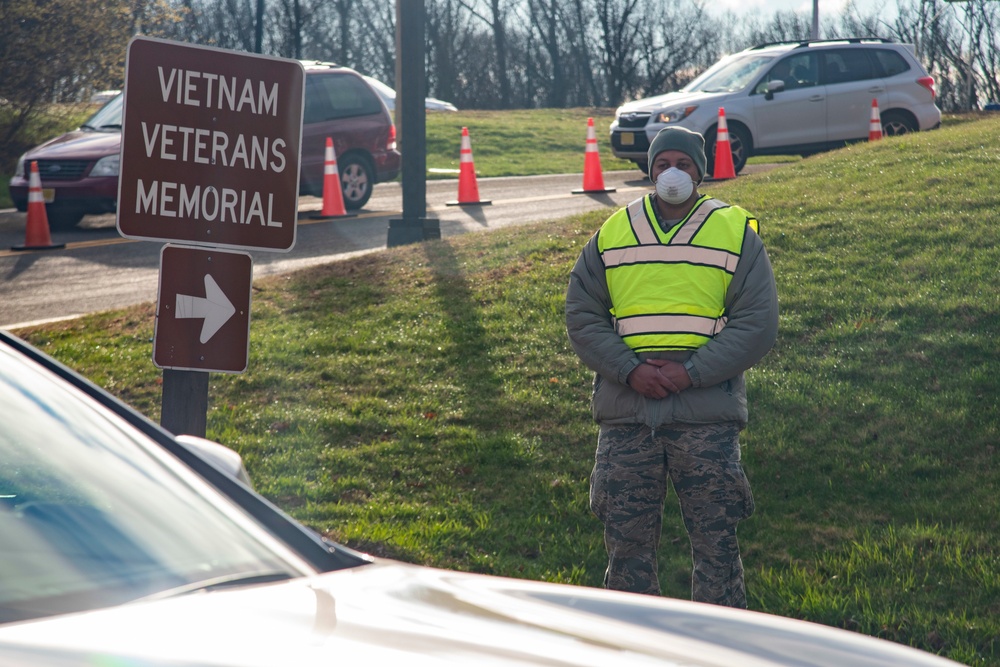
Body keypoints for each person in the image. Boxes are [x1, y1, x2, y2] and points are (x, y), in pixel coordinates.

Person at [564, 126, 778, 608]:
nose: (672, 174)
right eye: (662, 165)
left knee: (717, 551)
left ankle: (723, 651)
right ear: (649, 170)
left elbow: (757, 323)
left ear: (699, 171)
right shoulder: (614, 230)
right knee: (626, 555)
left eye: (682, 164)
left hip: (704, 416)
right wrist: (630, 370)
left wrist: (690, 373)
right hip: (627, 412)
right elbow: (581, 313)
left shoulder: (735, 232)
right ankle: (633, 650)